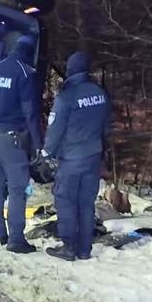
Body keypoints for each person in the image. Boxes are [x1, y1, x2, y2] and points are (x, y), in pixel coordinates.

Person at [43, 51, 111, 262]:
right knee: (86, 202)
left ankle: (69, 247)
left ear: (71, 69)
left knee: (65, 200)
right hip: (93, 155)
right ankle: (84, 248)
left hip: (72, 157)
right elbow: (106, 125)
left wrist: (47, 153)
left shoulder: (67, 96)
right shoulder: (99, 93)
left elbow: (55, 129)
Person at [0, 30, 41, 254]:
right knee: (17, 188)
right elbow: (30, 112)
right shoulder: (25, 73)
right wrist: (36, 143)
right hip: (12, 138)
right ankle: (16, 238)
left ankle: (0, 233)